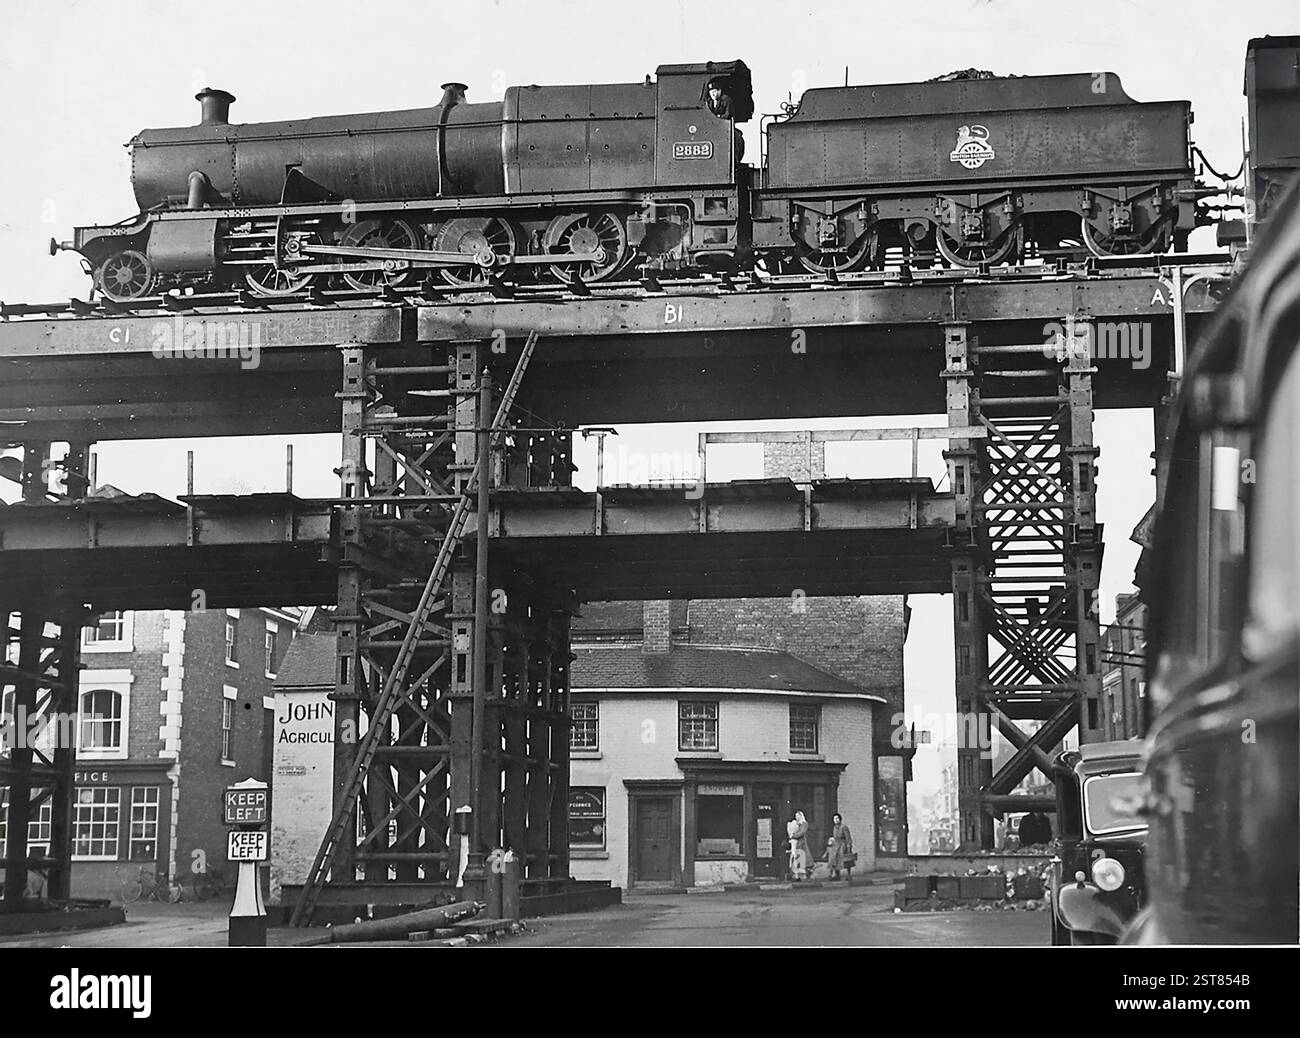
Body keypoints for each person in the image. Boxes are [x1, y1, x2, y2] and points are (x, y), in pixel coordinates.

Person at [827, 812, 854, 880]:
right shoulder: (834, 827)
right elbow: (835, 836)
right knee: (833, 859)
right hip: (836, 845)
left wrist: (849, 846)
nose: (836, 820)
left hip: (842, 845)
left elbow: (848, 837)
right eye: (834, 819)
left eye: (837, 818)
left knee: (846, 859)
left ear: (840, 819)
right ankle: (836, 875)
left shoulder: (844, 827)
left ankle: (849, 875)